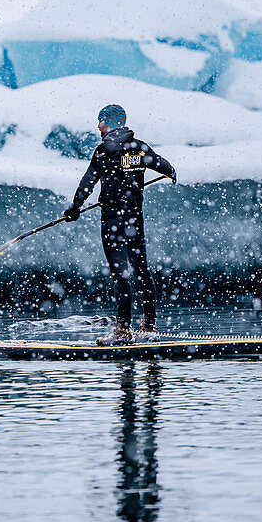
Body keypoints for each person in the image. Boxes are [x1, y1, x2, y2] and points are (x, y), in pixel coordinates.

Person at [63, 104, 176, 343]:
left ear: (110, 122)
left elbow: (88, 181)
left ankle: (123, 330)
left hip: (113, 219)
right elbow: (161, 164)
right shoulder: (138, 147)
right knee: (142, 271)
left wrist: (75, 207)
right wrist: (171, 171)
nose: (98, 126)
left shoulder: (105, 149)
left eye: (101, 121)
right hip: (134, 219)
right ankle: (150, 327)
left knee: (120, 274)